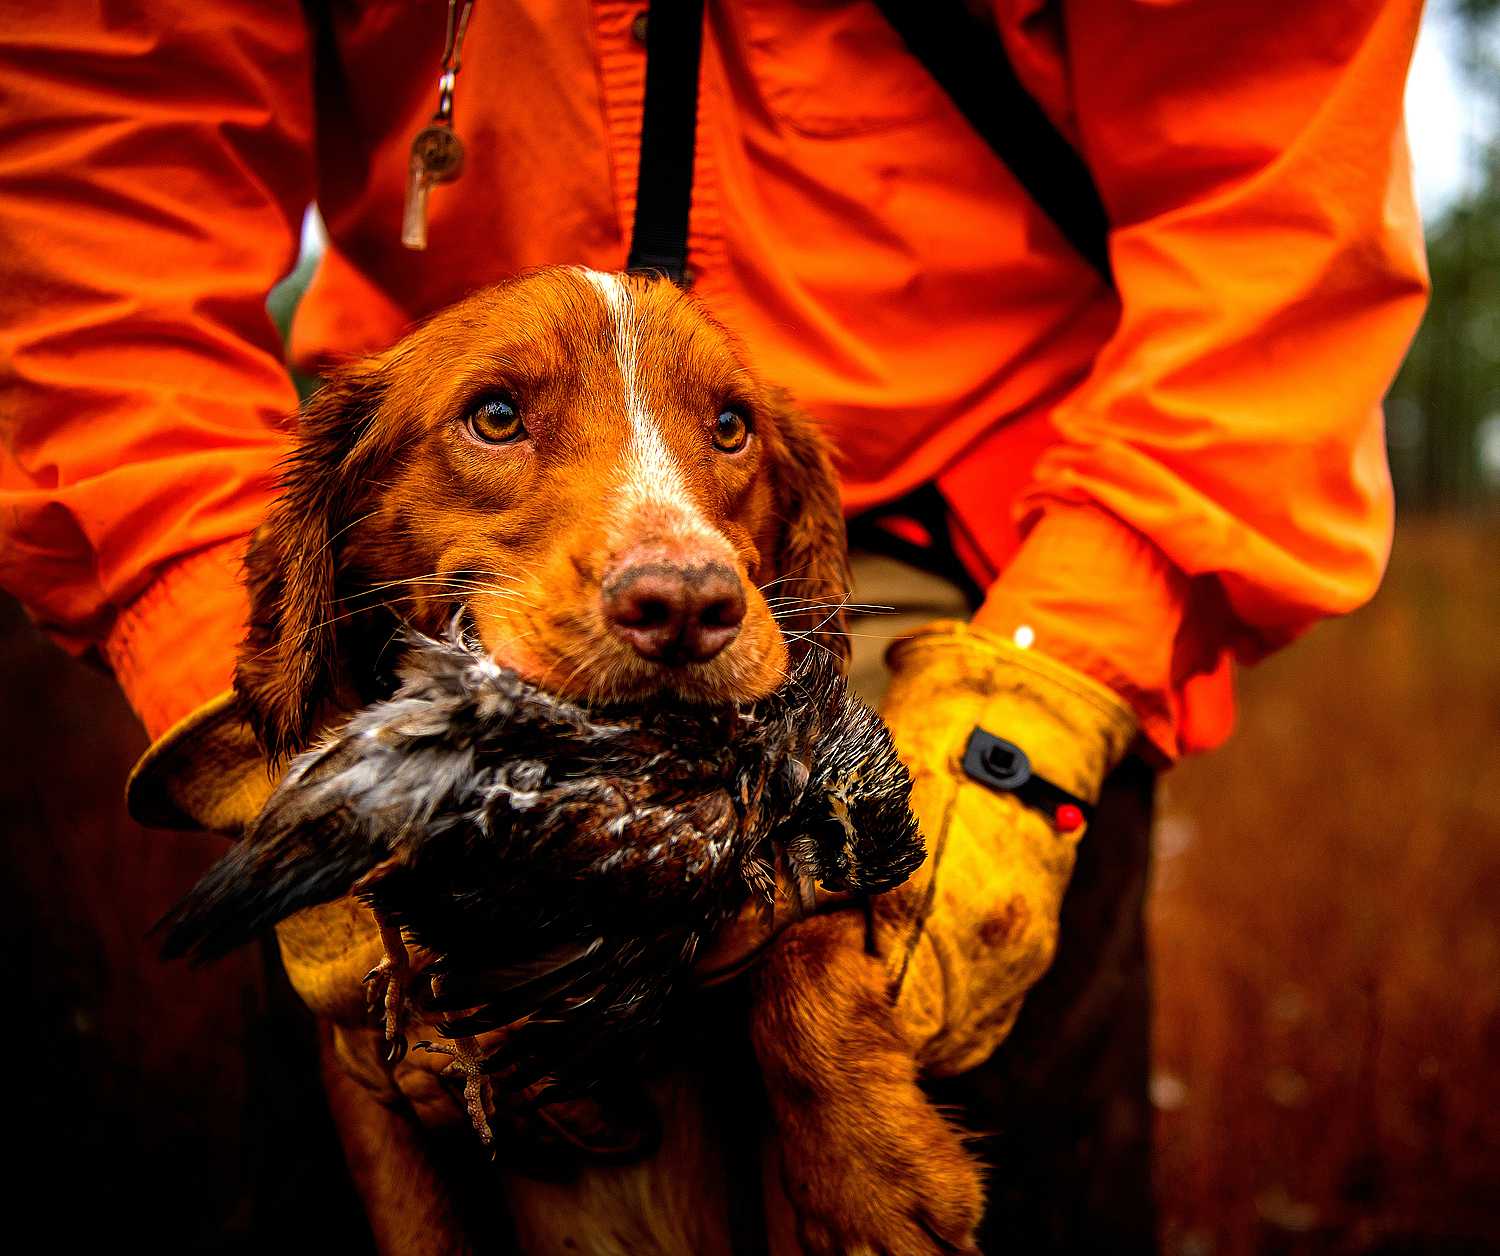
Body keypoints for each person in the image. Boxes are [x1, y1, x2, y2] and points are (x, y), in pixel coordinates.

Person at [0, 0, 1427, 1250]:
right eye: (503, 415)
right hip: (413, 571)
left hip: (993, 539)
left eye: (727, 428)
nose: (662, 564)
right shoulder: (371, 491)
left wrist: (1050, 688)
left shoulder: (786, 539)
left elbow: (1281, 188)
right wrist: (257, 723)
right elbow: (97, 187)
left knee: (961, 1099)